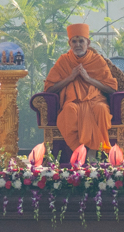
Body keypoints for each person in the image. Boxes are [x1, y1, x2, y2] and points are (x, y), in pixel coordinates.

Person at [44, 24, 117, 153]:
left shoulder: (97, 61)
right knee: (68, 111)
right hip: (73, 102)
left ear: (87, 43)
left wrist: (89, 79)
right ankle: (80, 151)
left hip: (96, 101)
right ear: (70, 43)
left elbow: (112, 89)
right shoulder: (64, 61)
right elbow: (49, 89)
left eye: (81, 41)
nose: (78, 44)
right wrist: (70, 78)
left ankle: (96, 151)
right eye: (74, 41)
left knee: (101, 110)